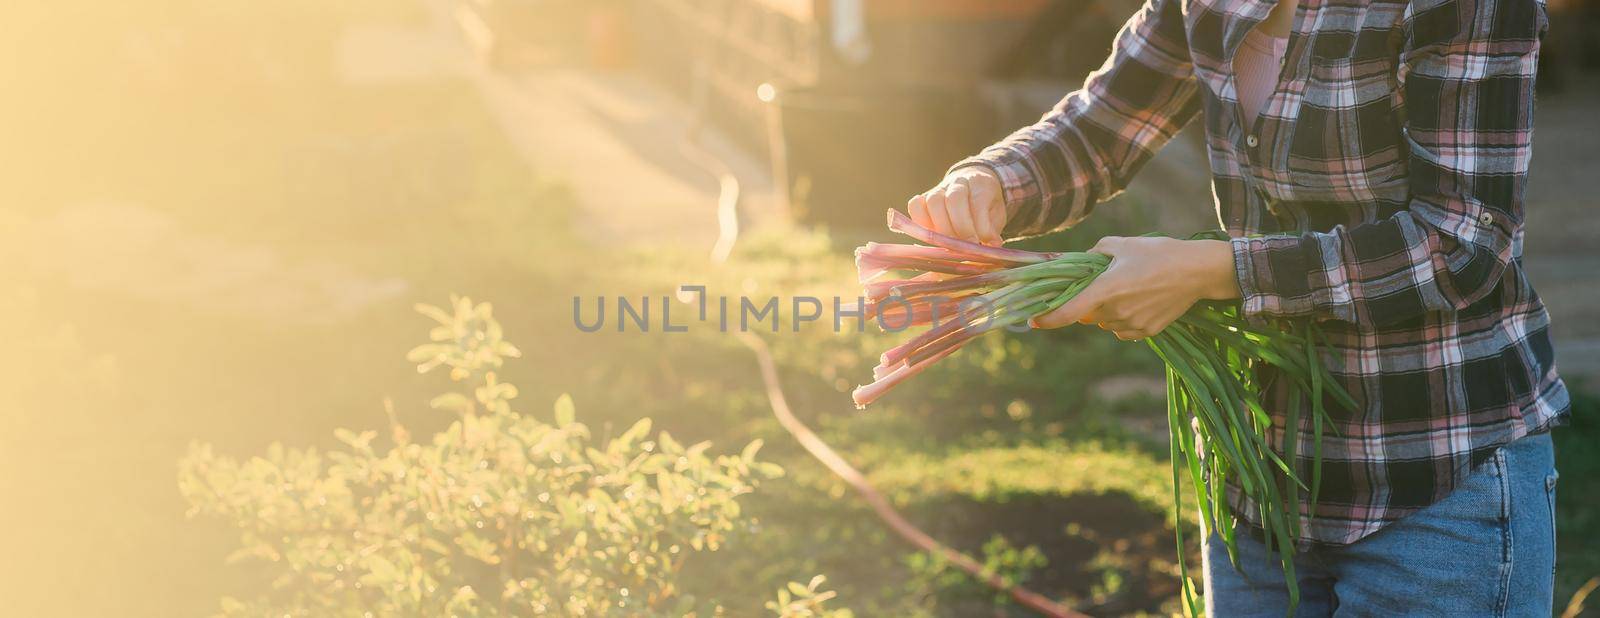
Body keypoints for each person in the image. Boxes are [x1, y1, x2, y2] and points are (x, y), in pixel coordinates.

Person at [911, 0, 1569, 612]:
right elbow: (1103, 127)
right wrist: (991, 183)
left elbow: (1462, 242)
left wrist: (1218, 271)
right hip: (1261, 481)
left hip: (1435, 480)